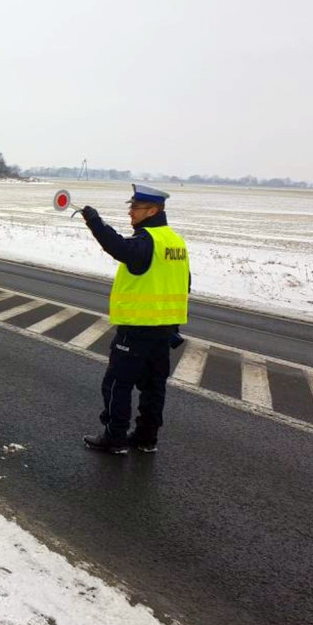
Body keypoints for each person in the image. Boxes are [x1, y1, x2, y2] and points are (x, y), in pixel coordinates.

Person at [79, 184, 190, 454]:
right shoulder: (175, 242)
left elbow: (118, 247)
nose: (131, 213)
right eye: (130, 208)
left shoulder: (147, 241)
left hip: (137, 329)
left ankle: (114, 437)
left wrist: (95, 222)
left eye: (135, 208)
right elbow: (185, 284)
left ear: (153, 210)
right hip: (164, 331)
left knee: (117, 383)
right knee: (153, 387)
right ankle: (146, 438)